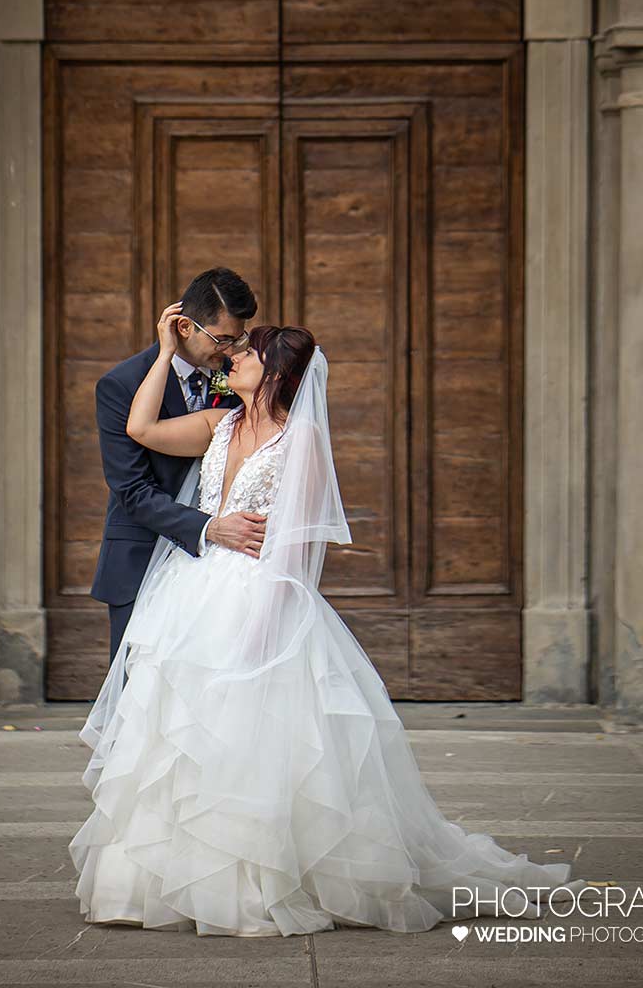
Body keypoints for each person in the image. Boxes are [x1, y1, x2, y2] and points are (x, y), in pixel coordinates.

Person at [70, 312, 582, 937]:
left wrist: (262, 626)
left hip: (257, 596)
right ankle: (162, 882)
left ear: (275, 374)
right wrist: (160, 353)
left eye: (248, 353)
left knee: (252, 740)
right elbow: (141, 428)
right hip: (190, 593)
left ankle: (258, 880)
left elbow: (295, 547)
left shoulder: (300, 441)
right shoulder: (217, 423)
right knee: (176, 734)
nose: (234, 357)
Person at [90, 266, 258, 662]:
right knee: (138, 684)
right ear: (184, 327)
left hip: (220, 569)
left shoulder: (238, 378)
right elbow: (132, 490)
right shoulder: (122, 385)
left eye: (238, 339)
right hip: (142, 556)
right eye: (223, 339)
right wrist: (209, 528)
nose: (230, 350)